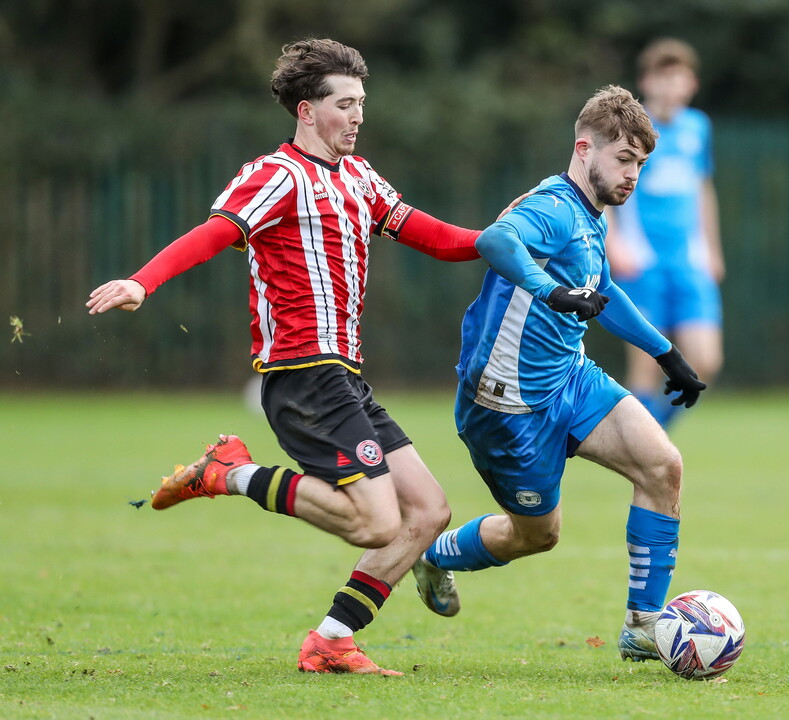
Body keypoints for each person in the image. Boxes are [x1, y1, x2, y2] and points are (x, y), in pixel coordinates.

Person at [87, 38, 494, 676]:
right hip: (302, 375)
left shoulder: (360, 178)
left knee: (429, 511)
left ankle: (332, 641)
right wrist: (144, 281)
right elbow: (214, 233)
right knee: (375, 523)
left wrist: (510, 240)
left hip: (345, 379)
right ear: (307, 111)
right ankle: (229, 472)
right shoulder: (277, 174)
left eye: (362, 103)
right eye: (346, 104)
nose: (359, 116)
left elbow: (439, 239)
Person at [409, 85, 706, 663]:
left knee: (663, 466)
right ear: (583, 148)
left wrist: (665, 353)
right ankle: (434, 552)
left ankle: (643, 626)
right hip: (506, 406)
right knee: (537, 535)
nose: (632, 176)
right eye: (623, 160)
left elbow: (603, 289)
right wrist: (550, 290)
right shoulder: (551, 207)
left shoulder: (591, 214)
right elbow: (497, 239)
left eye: (640, 165)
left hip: (569, 379)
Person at [604, 38, 724, 430]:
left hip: (688, 262)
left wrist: (712, 248)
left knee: (705, 360)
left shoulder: (697, 127)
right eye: (663, 77)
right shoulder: (633, 131)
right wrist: (614, 242)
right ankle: (644, 453)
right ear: (646, 82)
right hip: (643, 262)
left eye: (679, 77)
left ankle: (648, 437)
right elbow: (602, 187)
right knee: (646, 366)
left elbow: (702, 188)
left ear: (691, 83)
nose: (671, 86)